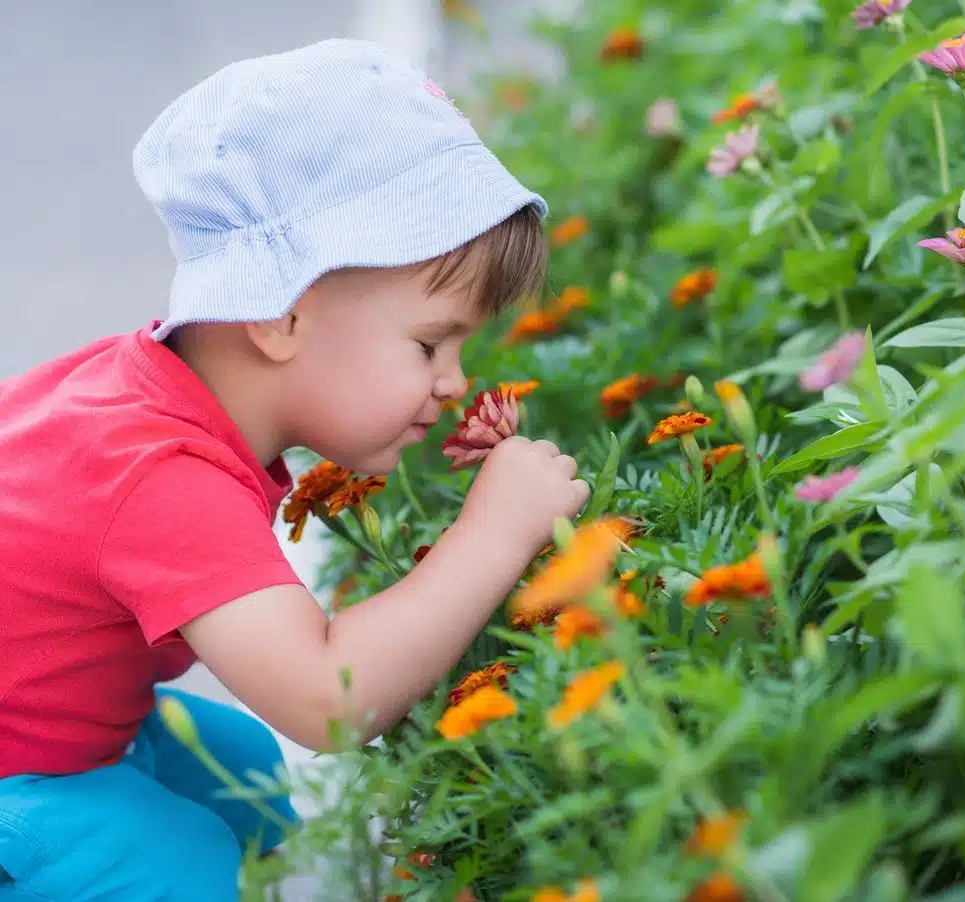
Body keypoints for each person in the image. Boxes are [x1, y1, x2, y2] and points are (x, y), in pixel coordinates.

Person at [0, 38, 589, 901]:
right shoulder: (157, 474)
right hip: (21, 768)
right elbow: (328, 700)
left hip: (51, 726)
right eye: (430, 343)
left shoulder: (152, 395)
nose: (456, 381)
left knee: (244, 777)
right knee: (181, 867)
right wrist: (492, 533)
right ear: (279, 315)